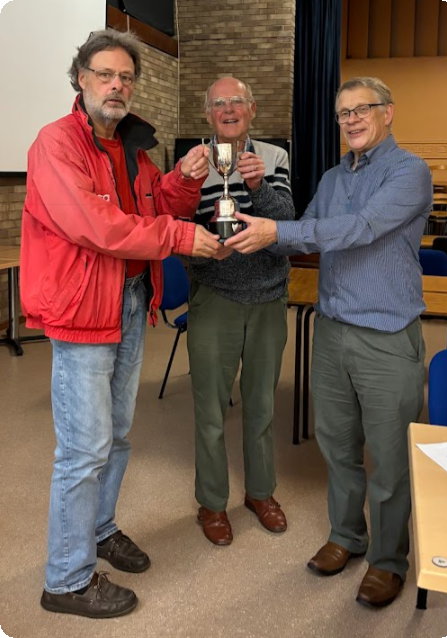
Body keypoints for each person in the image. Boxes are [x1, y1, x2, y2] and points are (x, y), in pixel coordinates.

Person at [20, 28, 222, 619]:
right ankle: (66, 577)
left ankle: (101, 529)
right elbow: (98, 226)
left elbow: (154, 207)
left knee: (117, 436)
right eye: (105, 74)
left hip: (131, 299)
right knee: (84, 449)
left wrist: (183, 178)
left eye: (126, 77)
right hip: (84, 308)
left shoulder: (132, 146)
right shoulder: (54, 143)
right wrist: (183, 235)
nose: (117, 85)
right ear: (80, 79)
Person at [225, 77, 432, 606]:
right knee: (337, 448)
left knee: (387, 458)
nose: (352, 119)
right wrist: (253, 222)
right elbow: (305, 230)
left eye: (363, 109)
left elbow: (361, 228)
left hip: (387, 335)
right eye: (342, 113)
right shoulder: (333, 177)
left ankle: (388, 560)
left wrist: (280, 235)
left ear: (388, 113)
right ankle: (347, 536)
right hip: (333, 331)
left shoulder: (410, 172)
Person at [187, 76, 295, 546]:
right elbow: (174, 232)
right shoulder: (192, 162)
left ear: (251, 109)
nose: (228, 109)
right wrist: (206, 249)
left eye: (236, 102)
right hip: (216, 298)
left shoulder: (274, 158)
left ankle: (260, 492)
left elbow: (287, 223)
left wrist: (256, 185)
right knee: (210, 410)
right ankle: (212, 503)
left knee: (262, 406)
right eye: (218, 104)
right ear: (208, 114)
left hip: (268, 296)